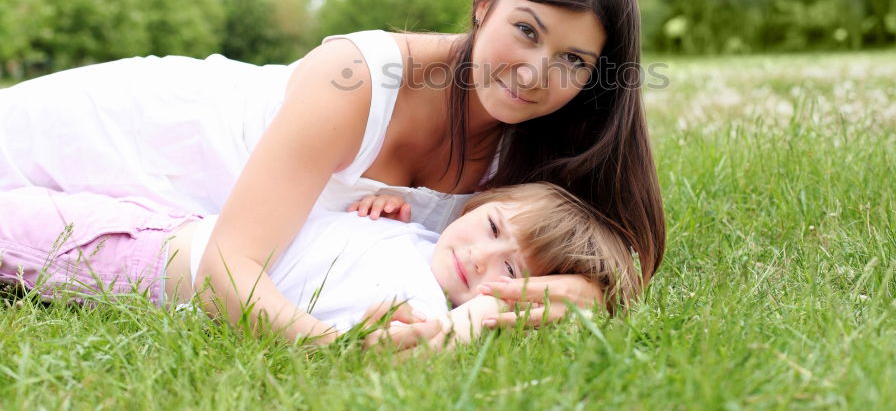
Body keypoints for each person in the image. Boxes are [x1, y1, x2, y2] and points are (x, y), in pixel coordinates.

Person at [0, 0, 664, 341]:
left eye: (573, 61)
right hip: (138, 133)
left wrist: (581, 293)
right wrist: (330, 348)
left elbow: (599, 252)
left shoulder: (540, 149)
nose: (534, 74)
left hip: (174, 215)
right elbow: (228, 266)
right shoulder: (357, 76)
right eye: (526, 30)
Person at [0, 182, 638, 348]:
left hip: (139, 258)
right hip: (167, 220)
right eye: (494, 228)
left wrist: (478, 318)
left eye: (513, 274)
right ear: (483, 205)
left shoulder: (421, 302)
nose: (482, 258)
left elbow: (394, 342)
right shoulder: (420, 238)